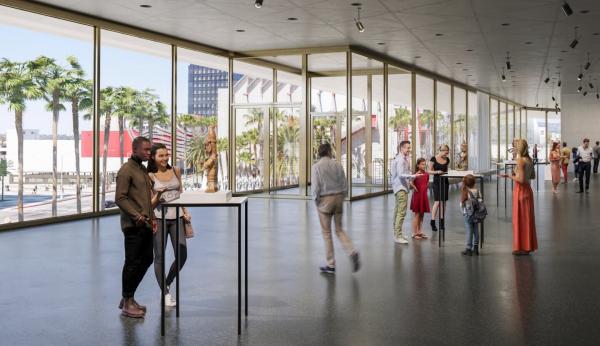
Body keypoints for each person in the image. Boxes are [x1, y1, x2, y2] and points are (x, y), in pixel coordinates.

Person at [115, 136, 154, 318]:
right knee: (131, 263)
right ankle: (127, 302)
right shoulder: (126, 170)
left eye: (149, 150)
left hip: (145, 224)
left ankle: (128, 297)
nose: (149, 153)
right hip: (133, 225)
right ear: (135, 149)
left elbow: (145, 199)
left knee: (146, 259)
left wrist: (151, 218)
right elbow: (120, 198)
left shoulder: (142, 169)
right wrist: (136, 216)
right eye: (146, 150)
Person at [147, 143, 191, 307]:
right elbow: (149, 205)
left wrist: (185, 211)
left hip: (177, 217)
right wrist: (158, 195)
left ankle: (166, 282)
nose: (165, 158)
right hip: (159, 219)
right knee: (159, 257)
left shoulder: (176, 171)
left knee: (182, 255)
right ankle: (165, 294)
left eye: (167, 155)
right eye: (161, 155)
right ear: (153, 157)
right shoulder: (150, 176)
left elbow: (181, 194)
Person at [311, 143, 360, 274]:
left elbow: (315, 187)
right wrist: (343, 196)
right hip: (338, 199)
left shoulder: (316, 167)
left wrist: (316, 202)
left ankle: (331, 264)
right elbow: (344, 183)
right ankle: (352, 251)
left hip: (325, 201)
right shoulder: (337, 165)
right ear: (329, 152)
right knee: (339, 230)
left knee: (327, 234)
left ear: (320, 153)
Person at [499, 139, 537, 255]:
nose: (512, 149)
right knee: (527, 220)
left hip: (520, 191)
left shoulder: (520, 161)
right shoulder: (529, 160)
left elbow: (520, 180)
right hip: (527, 191)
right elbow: (532, 176)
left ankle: (522, 247)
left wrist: (509, 176)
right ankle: (527, 247)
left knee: (520, 220)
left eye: (514, 147)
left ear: (518, 148)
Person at [391, 140, 421, 244]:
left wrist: (411, 180)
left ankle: (397, 233)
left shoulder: (402, 158)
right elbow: (400, 174)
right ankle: (398, 235)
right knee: (401, 212)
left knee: (398, 211)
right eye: (407, 148)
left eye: (409, 147)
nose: (409, 149)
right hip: (401, 188)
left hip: (400, 187)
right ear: (402, 148)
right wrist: (414, 176)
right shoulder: (400, 160)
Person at [429, 144, 450, 233]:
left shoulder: (447, 160)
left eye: (447, 153)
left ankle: (442, 221)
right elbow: (429, 171)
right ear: (441, 150)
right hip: (437, 182)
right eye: (445, 153)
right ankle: (433, 221)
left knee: (444, 202)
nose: (446, 155)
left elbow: (447, 170)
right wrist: (437, 172)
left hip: (445, 181)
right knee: (437, 202)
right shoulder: (433, 159)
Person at [409, 158, 430, 240]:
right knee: (417, 214)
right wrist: (415, 188)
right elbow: (410, 182)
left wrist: (425, 189)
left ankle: (419, 231)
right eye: (422, 164)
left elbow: (427, 183)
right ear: (418, 165)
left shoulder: (427, 174)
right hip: (417, 196)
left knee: (422, 214)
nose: (423, 166)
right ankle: (414, 233)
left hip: (423, 196)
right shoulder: (416, 174)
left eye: (424, 164)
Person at [460, 174, 480, 256]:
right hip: (476, 214)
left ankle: (468, 248)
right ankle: (476, 248)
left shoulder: (465, 191)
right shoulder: (477, 191)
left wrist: (463, 212)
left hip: (468, 214)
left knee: (469, 230)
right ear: (474, 182)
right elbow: (480, 200)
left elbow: (461, 204)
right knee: (476, 230)